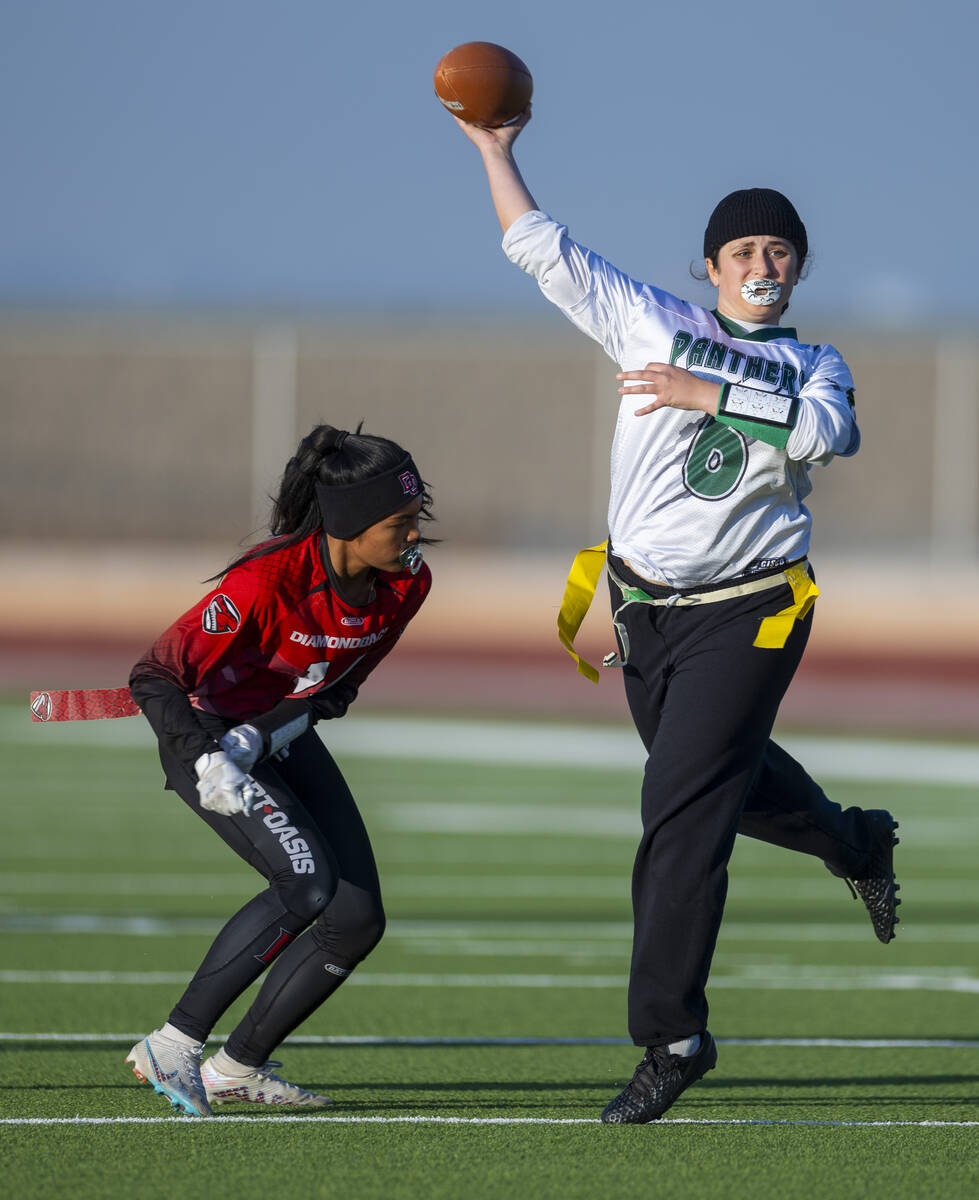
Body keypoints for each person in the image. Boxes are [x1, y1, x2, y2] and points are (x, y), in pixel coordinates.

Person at [453, 110, 900, 1124]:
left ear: (800, 266)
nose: (761, 264)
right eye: (743, 250)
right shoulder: (652, 319)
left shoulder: (815, 363)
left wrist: (709, 395)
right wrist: (494, 151)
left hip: (753, 609)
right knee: (718, 782)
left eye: (778, 249)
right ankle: (851, 842)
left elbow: (829, 435)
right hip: (645, 608)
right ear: (708, 266)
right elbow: (541, 249)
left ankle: (673, 1037)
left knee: (680, 810)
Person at [125, 423, 433, 1117]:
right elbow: (154, 676)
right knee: (305, 883)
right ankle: (172, 1044)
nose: (415, 535)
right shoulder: (265, 583)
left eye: (418, 517)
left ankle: (236, 1068)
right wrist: (211, 756)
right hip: (202, 737)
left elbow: (332, 694)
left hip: (270, 736)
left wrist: (259, 736)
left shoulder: (406, 585)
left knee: (355, 920)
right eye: (400, 522)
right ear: (349, 524)